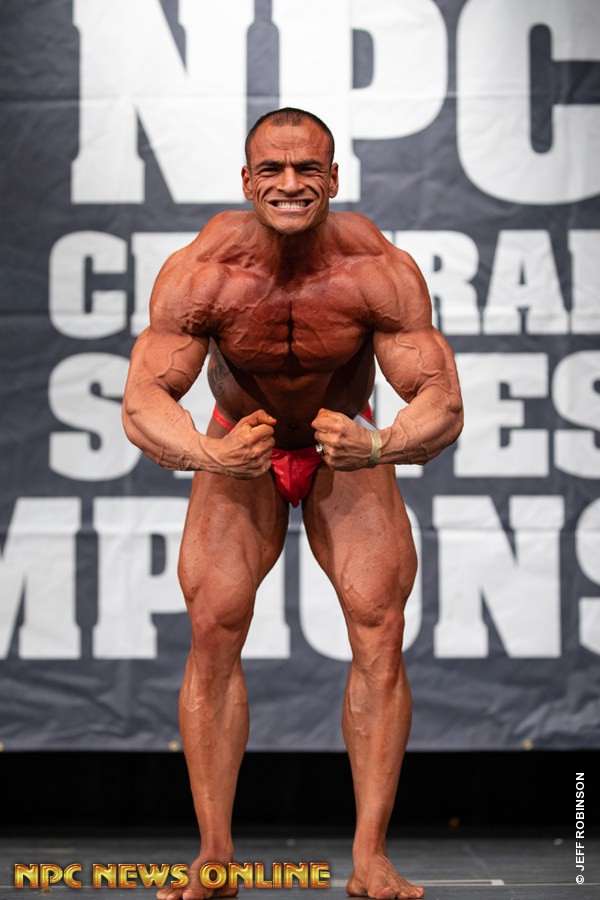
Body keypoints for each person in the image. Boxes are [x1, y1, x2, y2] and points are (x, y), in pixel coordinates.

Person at [122, 107, 463, 900]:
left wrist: (379, 444)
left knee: (379, 630)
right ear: (247, 181)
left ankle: (371, 859)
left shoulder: (376, 268)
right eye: (272, 170)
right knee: (213, 630)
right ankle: (215, 857)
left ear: (333, 178)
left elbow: (442, 401)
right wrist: (209, 453)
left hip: (346, 445)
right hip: (238, 444)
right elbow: (142, 399)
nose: (290, 184)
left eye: (308, 168)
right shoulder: (204, 270)